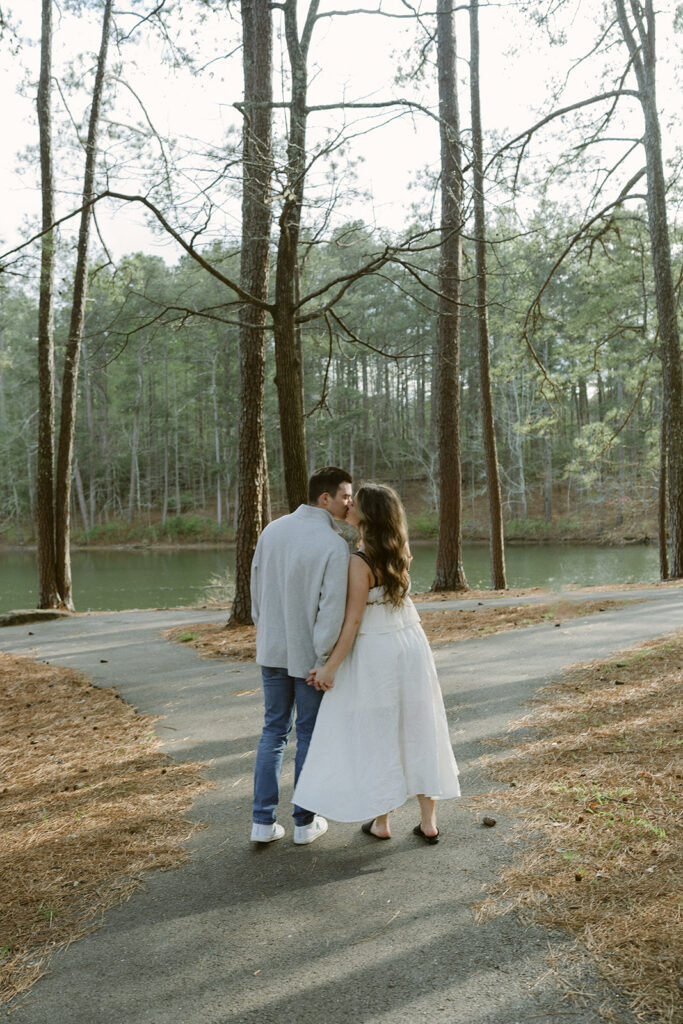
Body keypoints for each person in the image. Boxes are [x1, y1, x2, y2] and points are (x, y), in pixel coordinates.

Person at [293, 483, 460, 843]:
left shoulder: (359, 559)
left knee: (378, 728)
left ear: (365, 516)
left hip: (376, 649)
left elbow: (353, 621)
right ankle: (428, 821)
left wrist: (329, 667)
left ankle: (382, 822)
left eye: (355, 503)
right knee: (419, 724)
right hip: (411, 641)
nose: (348, 506)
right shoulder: (400, 548)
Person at [249, 466, 352, 845]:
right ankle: (305, 823)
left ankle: (262, 822)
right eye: (344, 496)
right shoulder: (333, 544)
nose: (349, 503)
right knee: (307, 733)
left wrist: (268, 633)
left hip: (273, 648)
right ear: (325, 498)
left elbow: (255, 590)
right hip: (309, 658)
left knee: (273, 731)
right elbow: (331, 611)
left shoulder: (271, 530)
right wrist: (324, 658)